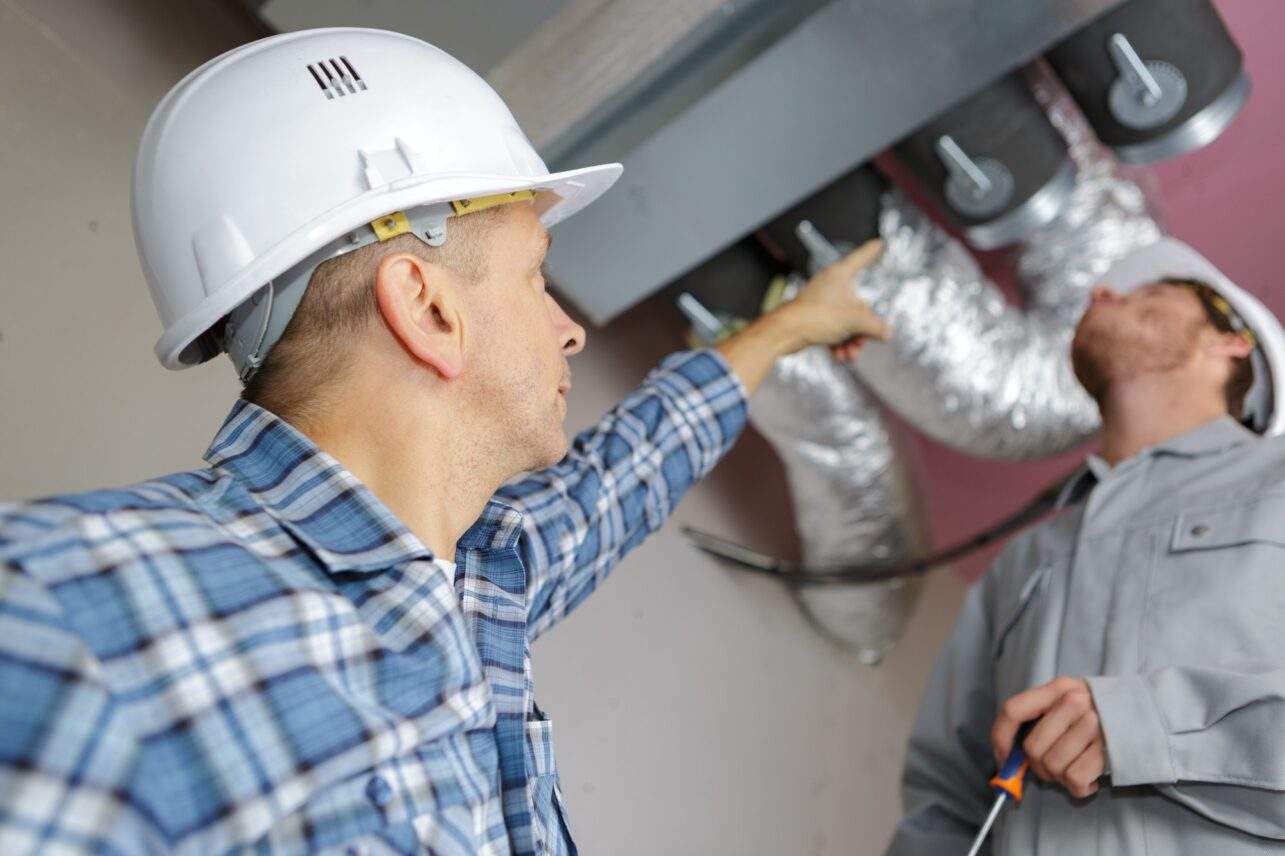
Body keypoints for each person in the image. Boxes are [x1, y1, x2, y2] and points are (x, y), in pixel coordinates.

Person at [0, 29, 888, 856]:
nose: (570, 329)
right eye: (536, 274)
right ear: (428, 309)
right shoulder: (67, 608)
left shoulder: (471, 575)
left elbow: (622, 476)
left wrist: (788, 327)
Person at [886, 236, 1285, 855]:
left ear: (1231, 343)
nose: (1099, 293)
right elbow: (946, 801)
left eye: (1151, 293)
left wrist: (1150, 726)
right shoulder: (1021, 563)